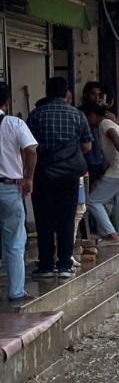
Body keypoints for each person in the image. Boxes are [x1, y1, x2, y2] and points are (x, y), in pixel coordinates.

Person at [27, 77, 92, 279]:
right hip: (69, 176)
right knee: (66, 219)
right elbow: (87, 146)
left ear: (48, 92)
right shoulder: (77, 115)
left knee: (44, 219)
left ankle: (46, 265)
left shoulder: (36, 115)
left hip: (42, 175)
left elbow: (29, 147)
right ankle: (64, 264)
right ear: (66, 94)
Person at [82, 103, 119, 250]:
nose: (87, 122)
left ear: (92, 115)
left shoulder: (104, 124)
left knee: (93, 201)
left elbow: (116, 139)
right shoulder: (108, 124)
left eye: (87, 118)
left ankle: (111, 234)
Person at [0, 83, 37, 301]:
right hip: (8, 188)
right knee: (14, 241)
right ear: (7, 102)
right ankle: (15, 292)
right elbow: (31, 149)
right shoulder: (14, 123)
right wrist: (29, 177)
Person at [81, 82, 109, 189]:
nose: (97, 97)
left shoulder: (102, 113)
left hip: (100, 157)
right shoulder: (80, 113)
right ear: (86, 95)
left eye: (99, 95)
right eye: (93, 94)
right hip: (86, 157)